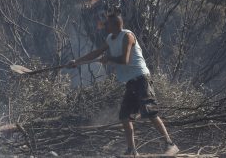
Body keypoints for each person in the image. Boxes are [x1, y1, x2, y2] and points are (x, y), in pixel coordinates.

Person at [68, 14, 179, 157]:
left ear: (115, 25)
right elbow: (95, 53)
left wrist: (109, 59)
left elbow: (125, 60)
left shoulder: (127, 36)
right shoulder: (110, 39)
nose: (104, 27)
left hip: (141, 79)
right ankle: (132, 151)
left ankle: (170, 144)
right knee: (125, 116)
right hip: (131, 82)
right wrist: (76, 61)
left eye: (106, 24)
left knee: (150, 111)